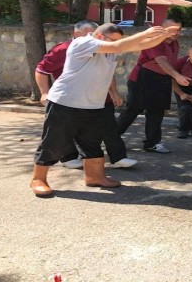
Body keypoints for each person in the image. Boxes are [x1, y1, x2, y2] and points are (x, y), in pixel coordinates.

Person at [30, 23, 180, 196]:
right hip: (65, 103)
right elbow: (119, 45)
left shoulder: (108, 50)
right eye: (113, 40)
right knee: (53, 142)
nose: (116, 45)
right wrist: (145, 32)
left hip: (93, 105)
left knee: (92, 143)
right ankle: (38, 179)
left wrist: (164, 35)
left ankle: (95, 177)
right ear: (100, 36)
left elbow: (138, 45)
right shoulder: (82, 43)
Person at [35, 20, 138, 169]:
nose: (92, 37)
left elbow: (108, 73)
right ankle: (67, 158)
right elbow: (42, 70)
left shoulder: (106, 50)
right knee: (63, 132)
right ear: (76, 34)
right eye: (89, 33)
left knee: (107, 127)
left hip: (98, 98)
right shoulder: (65, 49)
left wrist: (114, 92)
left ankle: (117, 157)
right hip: (70, 98)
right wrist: (44, 93)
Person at [117, 18, 190, 154]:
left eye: (178, 29)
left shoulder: (175, 43)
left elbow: (170, 62)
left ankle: (152, 143)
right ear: (162, 29)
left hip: (162, 78)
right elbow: (161, 61)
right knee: (133, 110)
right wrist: (176, 75)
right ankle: (111, 137)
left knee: (157, 111)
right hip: (143, 77)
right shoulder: (155, 41)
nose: (175, 33)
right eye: (171, 29)